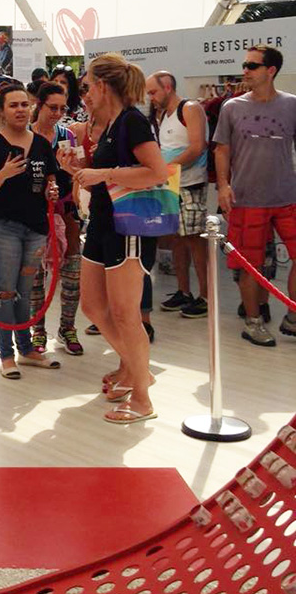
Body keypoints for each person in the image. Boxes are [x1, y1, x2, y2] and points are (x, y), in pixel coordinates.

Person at [64, 53, 170, 424]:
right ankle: (134, 369)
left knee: (126, 314)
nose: (84, 95)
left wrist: (103, 173)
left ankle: (141, 395)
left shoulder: (132, 121)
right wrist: (77, 170)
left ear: (102, 85)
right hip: (104, 222)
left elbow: (157, 172)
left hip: (129, 226)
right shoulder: (112, 124)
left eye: (87, 87)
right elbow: (108, 176)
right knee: (93, 305)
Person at [0, 82, 61, 378]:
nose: (20, 110)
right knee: (5, 291)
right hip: (4, 228)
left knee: (25, 292)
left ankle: (26, 349)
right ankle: (6, 354)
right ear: (1, 111)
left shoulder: (41, 144)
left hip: (36, 227)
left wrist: (52, 191)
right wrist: (3, 173)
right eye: (13, 105)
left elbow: (50, 181)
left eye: (25, 104)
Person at [214, 45, 296, 346]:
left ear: (270, 71)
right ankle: (253, 322)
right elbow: (222, 149)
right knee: (249, 264)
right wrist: (223, 185)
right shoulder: (231, 107)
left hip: (287, 197)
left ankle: (293, 315)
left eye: (252, 65)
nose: (245, 70)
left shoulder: (291, 104)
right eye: (245, 65)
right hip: (246, 199)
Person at [145, 71, 209, 318]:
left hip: (190, 184)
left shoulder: (190, 108)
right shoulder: (164, 115)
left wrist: (167, 169)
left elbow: (197, 146)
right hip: (171, 185)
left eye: (153, 92)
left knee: (194, 239)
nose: (151, 98)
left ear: (168, 87)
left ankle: (206, 296)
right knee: (176, 239)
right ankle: (184, 291)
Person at [29, 81, 84, 356]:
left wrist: (70, 168)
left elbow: (79, 172)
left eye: (62, 108)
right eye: (53, 107)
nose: (58, 113)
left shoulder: (68, 135)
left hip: (66, 210)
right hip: (32, 214)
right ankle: (37, 330)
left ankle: (68, 328)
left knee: (72, 271)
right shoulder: (24, 136)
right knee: (34, 276)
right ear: (39, 105)